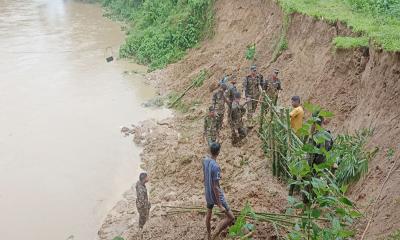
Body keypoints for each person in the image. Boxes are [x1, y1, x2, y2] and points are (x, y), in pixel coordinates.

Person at [203, 143, 235, 240]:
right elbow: (216, 187)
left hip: (208, 194)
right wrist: (220, 205)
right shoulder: (216, 167)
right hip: (216, 196)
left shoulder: (205, 161)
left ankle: (208, 235)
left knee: (209, 214)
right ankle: (215, 234)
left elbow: (205, 176)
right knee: (231, 217)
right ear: (218, 152)